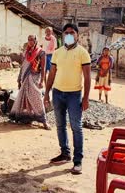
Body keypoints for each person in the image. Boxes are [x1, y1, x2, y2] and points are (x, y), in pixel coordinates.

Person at [44, 23, 91, 175]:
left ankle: (78, 161)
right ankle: (65, 153)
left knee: (76, 127)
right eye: (66, 33)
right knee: (60, 125)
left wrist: (86, 98)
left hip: (74, 94)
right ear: (63, 35)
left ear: (77, 35)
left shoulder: (83, 53)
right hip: (58, 93)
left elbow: (88, 77)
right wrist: (46, 93)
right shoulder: (57, 53)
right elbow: (51, 74)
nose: (69, 35)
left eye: (72, 32)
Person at [9, 35, 50, 130]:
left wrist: (42, 81)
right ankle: (27, 118)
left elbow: (43, 68)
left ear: (36, 40)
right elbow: (22, 67)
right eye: (29, 39)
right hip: (25, 78)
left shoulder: (41, 52)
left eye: (32, 39)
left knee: (37, 98)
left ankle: (44, 121)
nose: (30, 41)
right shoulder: (26, 53)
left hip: (35, 78)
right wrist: (19, 79)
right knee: (25, 98)